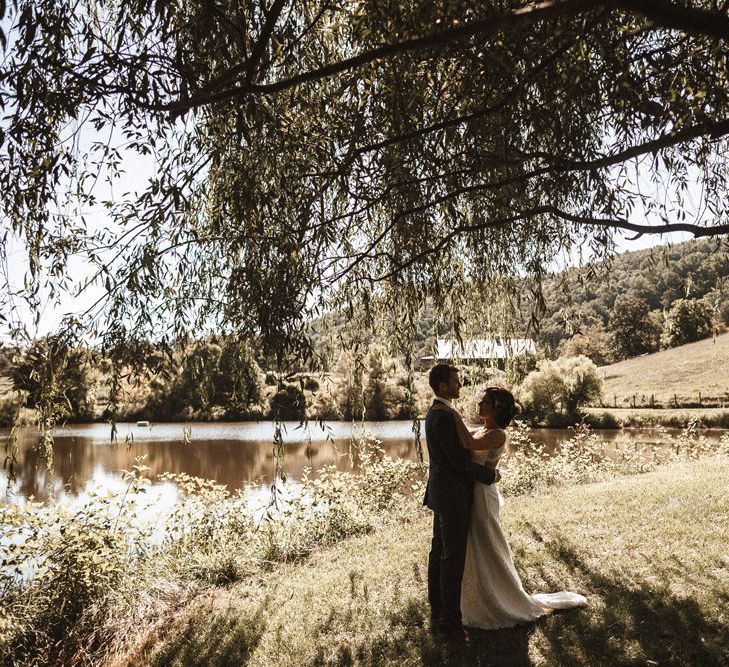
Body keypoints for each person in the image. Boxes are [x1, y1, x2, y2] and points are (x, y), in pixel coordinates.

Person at [433, 385, 588, 630]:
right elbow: (461, 441)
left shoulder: (498, 434)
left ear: (496, 408)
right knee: (473, 544)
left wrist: (452, 412)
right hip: (472, 491)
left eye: (485, 401)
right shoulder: (483, 429)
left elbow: (464, 442)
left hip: (483, 495)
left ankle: (501, 598)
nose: (479, 404)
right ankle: (472, 597)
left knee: (487, 541)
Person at [423, 363, 500, 638]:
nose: (460, 385)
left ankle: (438, 606)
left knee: (439, 550)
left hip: (441, 492)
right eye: (456, 382)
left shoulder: (438, 411)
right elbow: (457, 461)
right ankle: (450, 622)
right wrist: (489, 476)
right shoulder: (443, 416)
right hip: (452, 495)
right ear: (443, 386)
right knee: (452, 557)